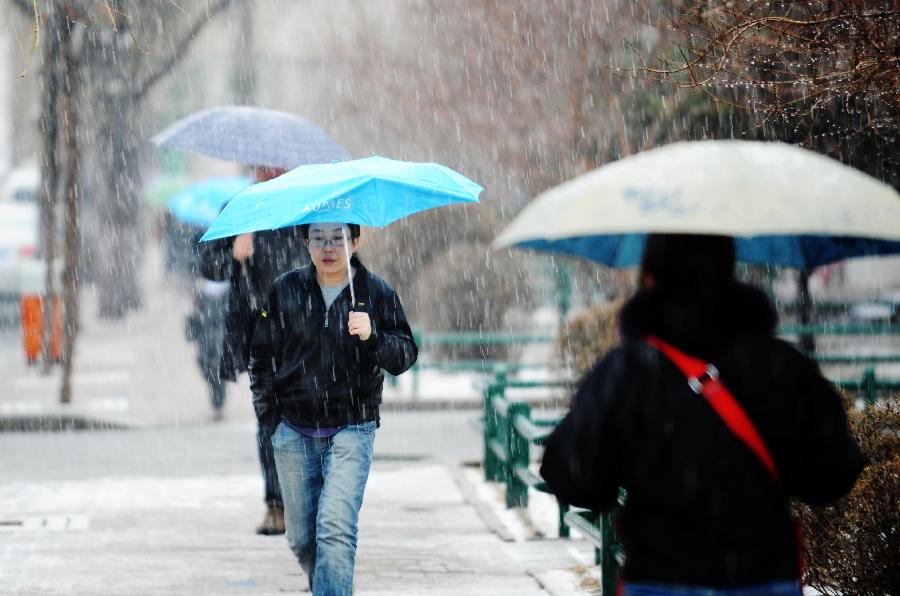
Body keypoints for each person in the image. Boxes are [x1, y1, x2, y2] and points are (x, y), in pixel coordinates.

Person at [540, 234, 864, 595]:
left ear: (650, 278)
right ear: (729, 270)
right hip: (763, 577)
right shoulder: (783, 367)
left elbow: (573, 476)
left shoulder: (629, 371)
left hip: (660, 577)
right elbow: (833, 474)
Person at [249, 222, 417, 595]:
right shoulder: (286, 289)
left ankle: (332, 584)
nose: (328, 247)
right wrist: (270, 417)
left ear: (355, 242)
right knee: (302, 539)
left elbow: (405, 355)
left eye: (338, 238)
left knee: (335, 530)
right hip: (293, 429)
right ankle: (333, 583)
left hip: (352, 427)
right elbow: (261, 356)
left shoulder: (375, 293)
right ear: (306, 243)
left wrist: (373, 336)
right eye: (319, 239)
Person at [201, 166, 308, 535]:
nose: (273, 170)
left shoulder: (308, 204)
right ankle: (277, 504)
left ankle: (306, 500)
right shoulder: (242, 208)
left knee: (310, 418)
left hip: (308, 331)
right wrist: (235, 253)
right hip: (261, 334)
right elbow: (209, 267)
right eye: (266, 164)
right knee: (271, 421)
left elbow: (336, 260)